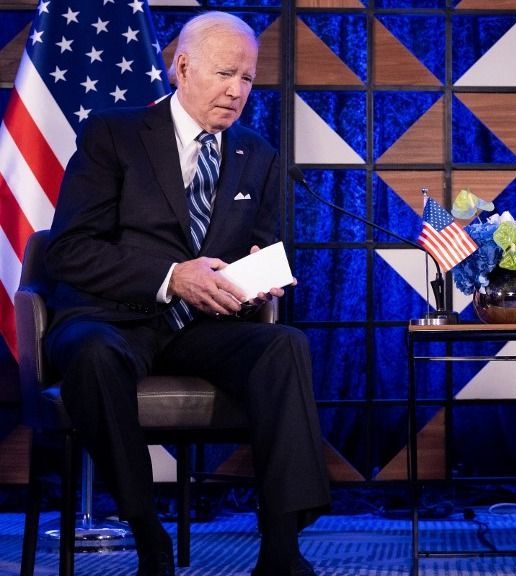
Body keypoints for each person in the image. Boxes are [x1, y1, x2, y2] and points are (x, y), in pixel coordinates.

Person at [43, 12, 329, 576]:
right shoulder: (114, 134)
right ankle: (148, 532)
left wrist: (258, 279)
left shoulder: (257, 154)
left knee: (284, 345)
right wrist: (173, 276)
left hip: (201, 329)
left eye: (248, 79)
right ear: (182, 67)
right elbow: (69, 250)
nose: (237, 90)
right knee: (93, 354)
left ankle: (281, 548)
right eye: (225, 73)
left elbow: (259, 249)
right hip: (113, 318)